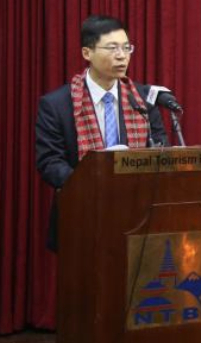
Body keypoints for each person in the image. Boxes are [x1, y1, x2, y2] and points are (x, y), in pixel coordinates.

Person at [35, 15, 167, 249]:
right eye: (112, 48)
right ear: (87, 53)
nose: (122, 55)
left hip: (138, 218)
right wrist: (92, 185)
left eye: (127, 48)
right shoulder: (57, 104)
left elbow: (160, 149)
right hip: (81, 217)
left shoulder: (144, 99)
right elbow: (49, 162)